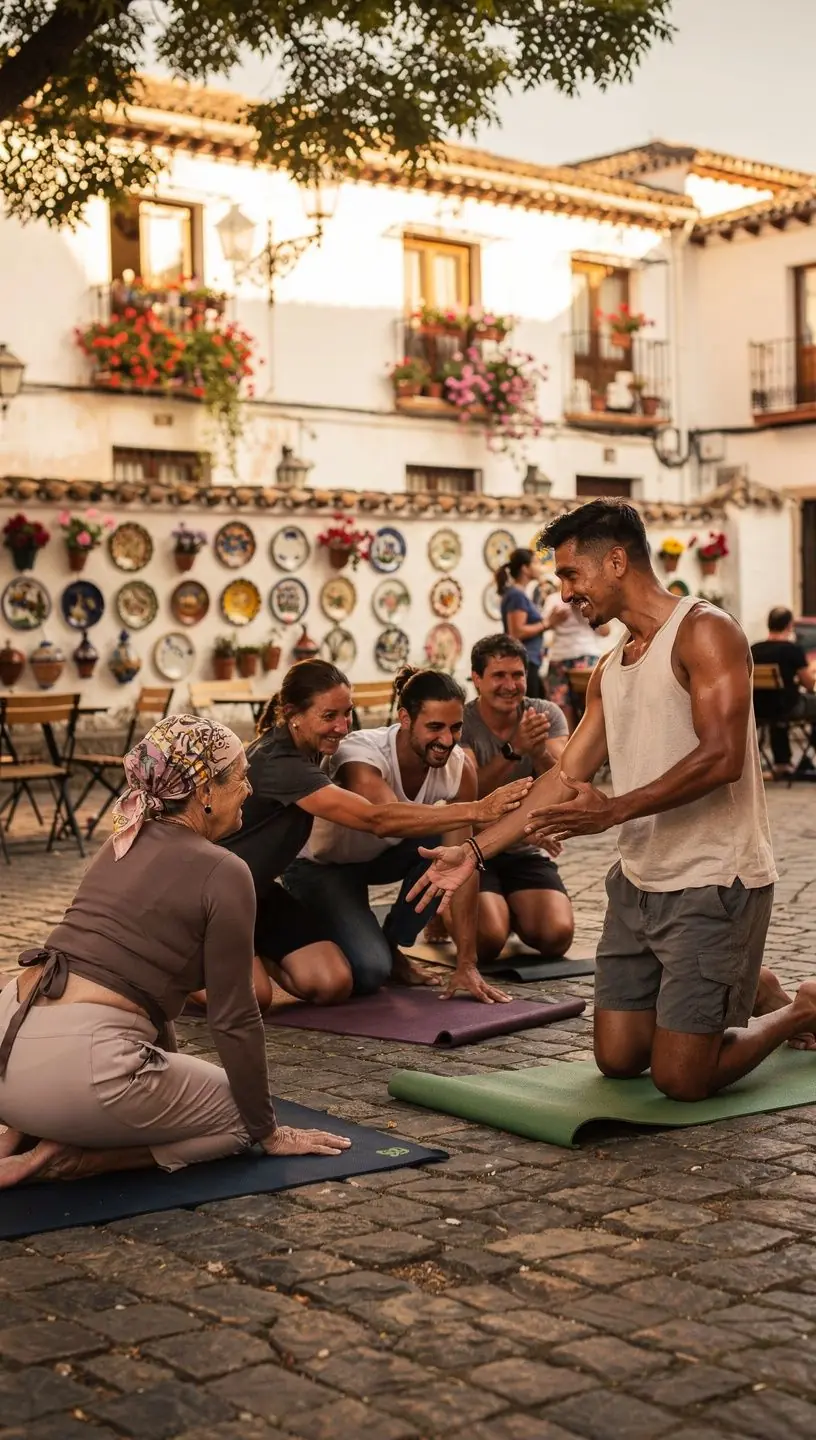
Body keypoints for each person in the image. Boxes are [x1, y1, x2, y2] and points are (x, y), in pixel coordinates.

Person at [408, 499, 816, 1100]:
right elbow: (562, 778)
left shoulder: (705, 631)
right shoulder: (609, 668)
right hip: (639, 885)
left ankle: (800, 1011)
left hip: (714, 879)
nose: (565, 593)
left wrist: (616, 809)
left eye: (572, 575)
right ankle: (746, 981)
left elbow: (723, 755)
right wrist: (475, 850)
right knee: (619, 1059)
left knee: (682, 1079)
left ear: (617, 561)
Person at [0, 715, 350, 1190]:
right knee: (239, 1121)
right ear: (205, 790)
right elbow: (233, 1017)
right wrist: (268, 1131)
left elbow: (147, 990)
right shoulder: (224, 870)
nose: (249, 789)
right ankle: (74, 1161)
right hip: (76, 1070)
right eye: (241, 777)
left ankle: (29, 1131)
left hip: (8, 1046)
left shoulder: (119, 842)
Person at [219, 660, 529, 1008]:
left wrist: (467, 962)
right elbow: (376, 819)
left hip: (258, 891)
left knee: (334, 983)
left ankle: (255, 953)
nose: (341, 727)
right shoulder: (281, 760)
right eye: (329, 716)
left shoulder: (310, 749)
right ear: (292, 713)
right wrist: (478, 809)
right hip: (214, 896)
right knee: (255, 998)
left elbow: (462, 860)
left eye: (347, 713)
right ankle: (181, 965)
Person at [461, 634, 575, 963]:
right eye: (499, 675)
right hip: (473, 847)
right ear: (477, 679)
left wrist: (537, 752)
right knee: (488, 941)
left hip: (523, 850)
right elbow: (468, 794)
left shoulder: (545, 714)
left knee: (555, 937)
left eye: (517, 675)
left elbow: (566, 782)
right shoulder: (463, 722)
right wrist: (515, 752)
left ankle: (508, 905)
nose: (510, 685)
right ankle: (456, 911)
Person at [751, 605, 816, 778]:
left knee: (778, 708)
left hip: (759, 708)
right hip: (786, 707)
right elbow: (809, 684)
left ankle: (782, 763)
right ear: (789, 626)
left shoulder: (754, 649)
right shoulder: (792, 650)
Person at [542, 581, 610, 731]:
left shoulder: (590, 600)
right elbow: (545, 625)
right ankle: (566, 751)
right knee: (561, 713)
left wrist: (585, 611)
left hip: (585, 657)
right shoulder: (553, 599)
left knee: (590, 710)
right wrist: (552, 621)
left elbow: (605, 631)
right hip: (560, 658)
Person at [497, 548, 548, 698]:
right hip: (525, 661)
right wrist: (547, 624)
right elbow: (516, 632)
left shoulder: (520, 594)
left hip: (530, 660)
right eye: (536, 563)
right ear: (525, 568)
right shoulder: (516, 595)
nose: (540, 567)